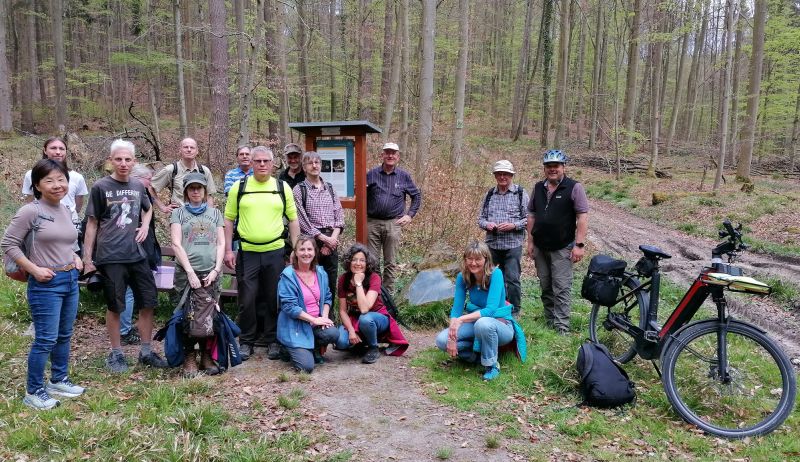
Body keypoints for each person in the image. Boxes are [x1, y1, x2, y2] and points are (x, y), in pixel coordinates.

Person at [2, 159, 85, 409]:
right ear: (37, 185)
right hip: (46, 283)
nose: (57, 185)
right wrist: (34, 269)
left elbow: (67, 241)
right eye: (49, 180)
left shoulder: (65, 209)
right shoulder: (31, 211)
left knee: (64, 334)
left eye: (61, 179)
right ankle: (34, 391)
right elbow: (8, 243)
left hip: (70, 279)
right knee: (45, 339)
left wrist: (76, 256)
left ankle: (59, 379)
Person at [83, 139, 168, 373]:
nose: (123, 163)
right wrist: (87, 259)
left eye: (127, 159)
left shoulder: (138, 186)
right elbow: (92, 223)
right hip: (110, 256)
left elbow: (148, 208)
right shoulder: (101, 186)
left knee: (148, 302)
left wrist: (144, 226)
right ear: (111, 161)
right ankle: (116, 354)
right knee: (115, 306)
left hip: (137, 255)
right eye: (118, 159)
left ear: (134, 162)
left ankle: (146, 351)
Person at [224, 146, 299, 361]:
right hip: (247, 252)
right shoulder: (239, 187)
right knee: (247, 299)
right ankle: (247, 340)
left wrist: (295, 249)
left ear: (273, 163)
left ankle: (272, 340)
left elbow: (293, 220)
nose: (262, 165)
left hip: (275, 251)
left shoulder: (282, 187)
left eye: (266, 161)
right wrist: (229, 249)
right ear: (252, 163)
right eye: (258, 161)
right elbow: (228, 220)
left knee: (273, 296)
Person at [435, 241, 526, 381]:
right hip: (477, 322)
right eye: (470, 259)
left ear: (486, 259)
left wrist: (461, 320)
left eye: (478, 259)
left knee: (483, 323)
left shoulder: (496, 274)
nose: (473, 263)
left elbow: (490, 310)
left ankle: (492, 364)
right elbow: (457, 309)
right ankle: (474, 356)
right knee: (442, 340)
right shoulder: (462, 277)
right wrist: (453, 330)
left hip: (500, 324)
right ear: (465, 260)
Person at [526, 149, 589, 334]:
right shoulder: (538, 187)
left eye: (556, 166)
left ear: (563, 167)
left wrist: (579, 245)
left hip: (562, 247)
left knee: (561, 287)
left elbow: (582, 217)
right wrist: (530, 242)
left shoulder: (573, 187)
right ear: (544, 168)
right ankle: (550, 320)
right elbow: (531, 215)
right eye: (549, 166)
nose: (552, 169)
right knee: (545, 286)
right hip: (540, 246)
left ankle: (562, 327)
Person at [170, 172, 226, 376]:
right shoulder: (178, 214)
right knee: (187, 316)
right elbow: (176, 243)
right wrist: (190, 272)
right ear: (186, 191)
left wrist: (216, 269)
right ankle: (189, 357)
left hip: (210, 272)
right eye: (192, 188)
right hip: (187, 274)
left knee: (210, 316)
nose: (195, 191)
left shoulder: (215, 213)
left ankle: (206, 355)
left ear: (204, 191)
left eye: (199, 188)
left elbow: (221, 243)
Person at [335, 243, 408, 364]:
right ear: (349, 262)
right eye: (354, 260)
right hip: (355, 318)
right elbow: (342, 310)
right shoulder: (344, 279)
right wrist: (351, 331)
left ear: (367, 263)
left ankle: (373, 347)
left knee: (366, 319)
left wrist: (358, 283)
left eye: (362, 260)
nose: (358, 263)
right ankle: (360, 343)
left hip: (376, 317)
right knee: (341, 343)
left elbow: (364, 309)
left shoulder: (374, 277)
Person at [277, 236, 340, 373]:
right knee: (306, 367)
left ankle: (314, 347)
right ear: (296, 252)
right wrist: (314, 320)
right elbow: (289, 307)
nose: (306, 253)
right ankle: (287, 348)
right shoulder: (288, 275)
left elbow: (328, 297)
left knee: (334, 334)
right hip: (296, 325)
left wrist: (323, 317)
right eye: (302, 249)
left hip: (315, 322)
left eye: (310, 249)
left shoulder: (321, 273)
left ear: (315, 252)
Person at [366, 142, 422, 293]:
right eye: (387, 152)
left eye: (393, 153)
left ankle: (388, 295)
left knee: (390, 262)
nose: (390, 156)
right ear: (382, 155)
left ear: (398, 157)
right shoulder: (371, 174)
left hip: (393, 223)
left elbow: (416, 196)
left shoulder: (404, 176)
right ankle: (375, 293)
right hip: (372, 223)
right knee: (372, 261)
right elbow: (359, 194)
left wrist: (409, 215)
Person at [477, 160, 529, 316]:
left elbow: (529, 219)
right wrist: (488, 225)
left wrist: (514, 225)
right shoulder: (489, 195)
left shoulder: (520, 193)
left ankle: (513, 311)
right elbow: (480, 219)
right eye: (499, 174)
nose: (502, 177)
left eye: (505, 174)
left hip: (513, 244)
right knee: (487, 277)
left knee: (512, 279)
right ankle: (487, 307)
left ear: (511, 175)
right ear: (495, 176)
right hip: (492, 244)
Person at [119, 164, 162, 346]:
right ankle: (124, 331)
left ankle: (128, 327)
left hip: (142, 249)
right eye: (149, 179)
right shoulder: (129, 196)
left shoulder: (142, 194)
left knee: (134, 293)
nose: (150, 183)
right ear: (138, 178)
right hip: (132, 251)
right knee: (128, 291)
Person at [293, 151, 344, 299]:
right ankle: (313, 313)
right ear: (304, 167)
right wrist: (323, 239)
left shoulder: (329, 187)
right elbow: (302, 220)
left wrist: (331, 241)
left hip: (332, 239)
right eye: (310, 163)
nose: (314, 166)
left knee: (330, 279)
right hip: (310, 240)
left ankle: (328, 316)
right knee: (310, 278)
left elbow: (339, 215)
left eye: (317, 162)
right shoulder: (299, 189)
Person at [22, 137, 88, 225]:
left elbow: (78, 205)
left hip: (70, 223)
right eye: (53, 148)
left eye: (62, 149)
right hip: (41, 223)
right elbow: (30, 200)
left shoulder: (77, 177)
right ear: (45, 150)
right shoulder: (31, 175)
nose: (58, 152)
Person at [149, 137, 217, 213]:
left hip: (201, 217)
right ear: (180, 150)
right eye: (185, 147)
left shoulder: (204, 171)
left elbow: (209, 196)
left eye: (192, 147)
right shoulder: (171, 170)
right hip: (178, 217)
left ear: (197, 151)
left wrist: (210, 215)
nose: (189, 150)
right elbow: (151, 187)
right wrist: (163, 207)